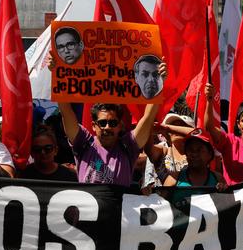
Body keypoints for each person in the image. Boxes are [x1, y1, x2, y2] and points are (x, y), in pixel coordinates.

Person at [52, 54, 167, 186]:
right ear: (93, 126)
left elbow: (148, 117)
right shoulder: (83, 143)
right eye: (102, 123)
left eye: (112, 123)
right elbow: (66, 113)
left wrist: (159, 81)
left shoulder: (128, 146)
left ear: (120, 126)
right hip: (89, 206)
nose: (107, 127)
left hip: (119, 206)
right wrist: (56, 72)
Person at [163, 129, 225, 207]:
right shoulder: (174, 179)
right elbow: (159, 207)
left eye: (199, 150)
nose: (194, 154)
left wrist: (224, 192)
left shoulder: (218, 179)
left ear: (210, 154)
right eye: (190, 150)